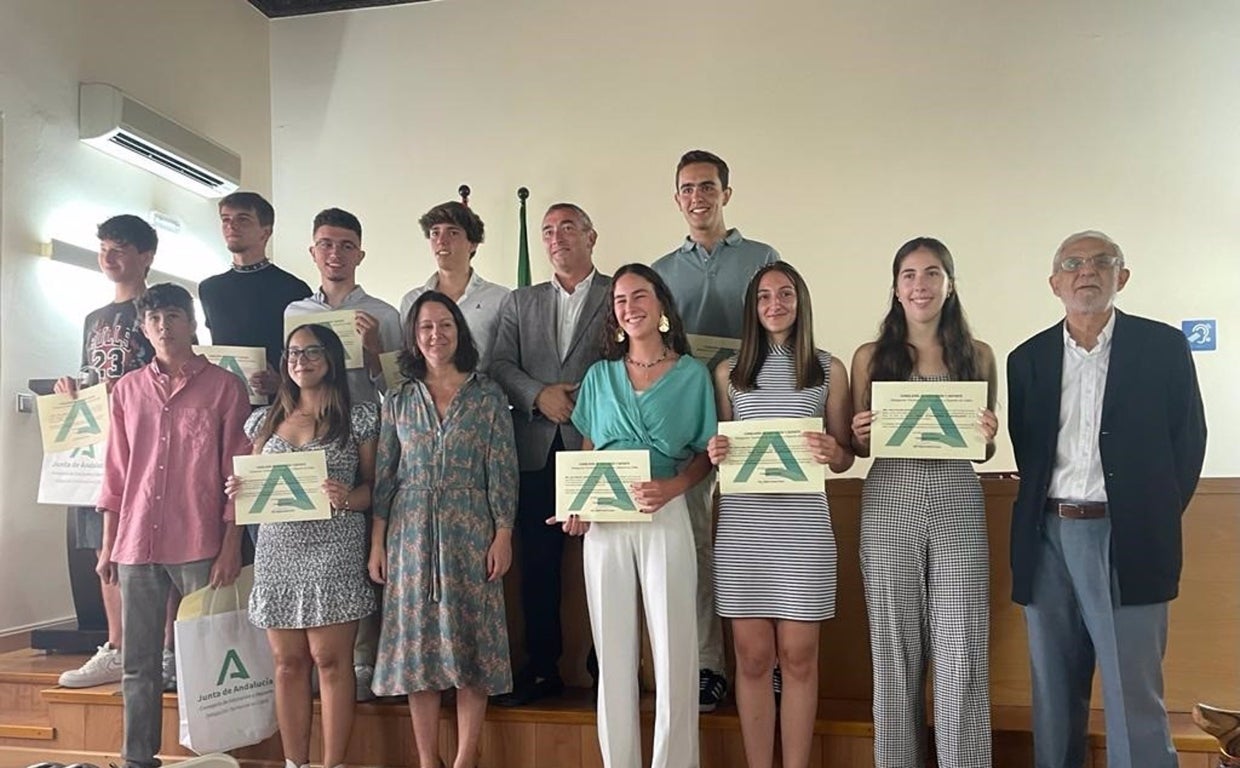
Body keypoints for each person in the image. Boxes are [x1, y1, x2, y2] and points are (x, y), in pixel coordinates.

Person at [1007, 231, 1206, 768]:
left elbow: (1188, 445)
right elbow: (1030, 453)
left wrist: (1146, 518)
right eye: (1072, 263)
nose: (1086, 271)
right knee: (1053, 692)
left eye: (1101, 262)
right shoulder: (1026, 359)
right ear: (1055, 283)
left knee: (1131, 694)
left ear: (1123, 275)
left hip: (1126, 537)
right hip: (1047, 536)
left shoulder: (1162, 348)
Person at [850, 237, 999, 768]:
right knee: (894, 650)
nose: (920, 285)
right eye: (909, 275)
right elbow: (861, 448)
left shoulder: (977, 354)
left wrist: (988, 432)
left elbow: (983, 450)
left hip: (957, 501)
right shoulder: (870, 357)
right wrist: (861, 431)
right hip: (889, 502)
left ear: (949, 284)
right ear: (895, 287)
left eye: (932, 273)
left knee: (962, 649)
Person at [560, 263, 717, 768]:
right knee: (613, 654)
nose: (630, 307)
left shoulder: (692, 375)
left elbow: (703, 455)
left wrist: (673, 487)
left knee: (675, 651)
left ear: (662, 304)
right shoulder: (599, 376)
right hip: (605, 525)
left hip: (666, 514)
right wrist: (578, 504)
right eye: (621, 300)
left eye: (640, 296)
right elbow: (587, 446)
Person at [95, 283, 250, 768]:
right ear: (144, 328)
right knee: (137, 663)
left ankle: (212, 756)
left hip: (200, 542)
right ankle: (137, 759)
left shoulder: (224, 387)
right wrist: (107, 546)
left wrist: (231, 545)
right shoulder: (128, 390)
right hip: (136, 541)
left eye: (174, 316)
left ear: (192, 323)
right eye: (156, 318)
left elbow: (238, 473)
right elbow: (116, 472)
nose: (165, 326)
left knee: (208, 661)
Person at [706, 262, 854, 768]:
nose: (775, 304)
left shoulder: (828, 369)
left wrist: (831, 451)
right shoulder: (727, 371)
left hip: (804, 528)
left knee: (798, 657)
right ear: (752, 307)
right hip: (744, 529)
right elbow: (722, 446)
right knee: (752, 658)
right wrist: (718, 450)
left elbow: (846, 456)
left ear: (800, 300)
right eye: (764, 296)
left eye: (785, 293)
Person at [652, 149, 779, 711]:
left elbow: (780, 329)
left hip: (755, 423)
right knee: (700, 546)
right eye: (687, 188)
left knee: (769, 542)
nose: (697, 197)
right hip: (691, 428)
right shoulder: (661, 271)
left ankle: (771, 662)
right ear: (677, 198)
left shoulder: (761, 256)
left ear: (726, 193)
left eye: (707, 186)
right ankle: (710, 664)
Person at [370, 291, 518, 768]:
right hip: (410, 535)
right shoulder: (397, 398)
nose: (437, 335)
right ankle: (428, 759)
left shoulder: (488, 394)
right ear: (414, 337)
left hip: (471, 529)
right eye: (426, 327)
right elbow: (386, 477)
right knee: (418, 653)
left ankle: (464, 759)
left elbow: (503, 469)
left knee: (472, 644)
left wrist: (503, 532)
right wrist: (378, 543)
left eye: (446, 325)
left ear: (460, 331)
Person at [224, 323, 377, 768]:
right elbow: (250, 482)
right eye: (293, 353)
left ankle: (333, 765)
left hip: (334, 545)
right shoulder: (264, 419)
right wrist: (239, 486)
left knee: (330, 661)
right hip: (277, 549)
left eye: (311, 352)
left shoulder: (359, 418)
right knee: (287, 664)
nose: (300, 360)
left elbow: (374, 489)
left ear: (330, 358)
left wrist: (347, 497)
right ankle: (295, 763)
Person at [489, 202, 611, 706]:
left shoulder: (618, 293)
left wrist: (591, 398)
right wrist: (540, 394)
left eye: (567, 227)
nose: (556, 237)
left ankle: (608, 668)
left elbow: (630, 360)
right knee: (539, 569)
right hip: (535, 451)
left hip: (599, 448)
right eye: (547, 231)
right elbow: (499, 363)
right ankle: (543, 669)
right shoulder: (520, 301)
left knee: (606, 565)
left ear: (591, 235)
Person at [284, 207, 401, 700]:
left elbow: (397, 387)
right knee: (313, 549)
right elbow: (295, 374)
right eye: (326, 244)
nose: (336, 253)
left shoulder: (385, 314)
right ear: (314, 252)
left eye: (346, 245)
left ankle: (364, 657)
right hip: (313, 441)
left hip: (366, 435)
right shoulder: (294, 313)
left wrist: (374, 348)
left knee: (366, 546)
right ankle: (320, 657)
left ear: (360, 253)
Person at [54, 215, 158, 690]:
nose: (109, 258)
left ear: (145, 256)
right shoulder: (94, 318)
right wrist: (70, 388)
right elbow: (88, 375)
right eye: (103, 249)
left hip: (146, 442)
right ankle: (116, 645)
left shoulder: (157, 310)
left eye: (119, 249)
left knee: (146, 546)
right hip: (97, 441)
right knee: (103, 543)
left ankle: (152, 647)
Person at [199, 191, 312, 395]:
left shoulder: (293, 288)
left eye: (243, 219)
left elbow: (307, 353)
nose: (231, 226)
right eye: (226, 220)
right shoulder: (209, 289)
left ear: (265, 232)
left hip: (278, 404)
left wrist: (283, 383)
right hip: (223, 401)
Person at [399, 201, 509, 371]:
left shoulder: (500, 298)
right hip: (425, 396)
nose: (441, 241)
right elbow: (407, 361)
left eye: (453, 233)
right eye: (435, 233)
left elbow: (507, 362)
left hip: (486, 394)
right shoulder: (411, 301)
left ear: (472, 244)